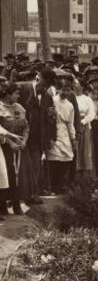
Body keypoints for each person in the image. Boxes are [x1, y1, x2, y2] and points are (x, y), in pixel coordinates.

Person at [18, 67, 57, 201]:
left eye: (48, 86)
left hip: (38, 137)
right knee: (20, 166)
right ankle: (18, 195)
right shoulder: (22, 88)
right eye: (45, 85)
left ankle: (31, 195)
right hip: (21, 135)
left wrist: (52, 137)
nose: (45, 88)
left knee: (35, 165)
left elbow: (52, 118)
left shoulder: (47, 96)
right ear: (39, 79)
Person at [0, 82, 30, 214]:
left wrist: (24, 141)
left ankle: (17, 205)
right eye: (16, 93)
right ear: (8, 93)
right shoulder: (0, 108)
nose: (18, 96)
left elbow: (26, 127)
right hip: (5, 147)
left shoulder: (20, 107)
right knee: (6, 176)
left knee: (19, 176)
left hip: (19, 147)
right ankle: (3, 207)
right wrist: (9, 142)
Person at [45, 84, 76, 195]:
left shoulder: (70, 105)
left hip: (65, 133)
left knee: (66, 159)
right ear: (59, 89)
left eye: (68, 90)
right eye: (64, 90)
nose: (66, 93)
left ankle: (61, 184)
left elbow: (71, 123)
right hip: (54, 131)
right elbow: (48, 119)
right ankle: (51, 186)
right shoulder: (52, 101)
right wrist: (49, 136)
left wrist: (73, 139)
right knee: (54, 159)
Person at [76, 83, 96, 174]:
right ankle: (75, 169)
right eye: (74, 85)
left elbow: (92, 113)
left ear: (82, 87)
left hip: (84, 125)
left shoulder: (87, 99)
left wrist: (83, 121)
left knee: (84, 147)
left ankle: (84, 171)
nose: (75, 86)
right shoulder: (71, 97)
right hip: (73, 124)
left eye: (77, 84)